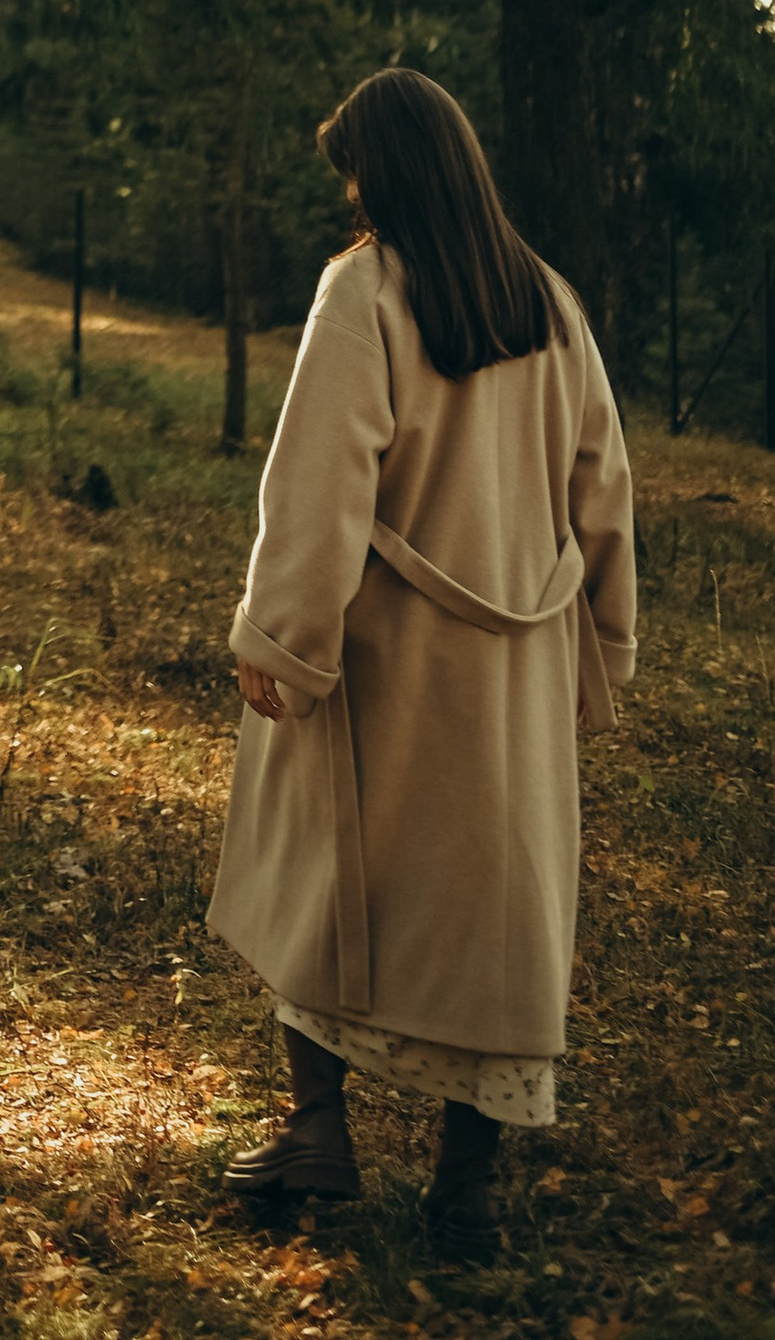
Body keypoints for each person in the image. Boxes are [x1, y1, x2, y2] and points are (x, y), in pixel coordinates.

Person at [208, 68, 636, 1261]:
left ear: (383, 170)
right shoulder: (546, 297)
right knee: (494, 910)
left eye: (352, 168)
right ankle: (463, 1187)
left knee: (318, 863)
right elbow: (602, 487)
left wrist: (284, 638)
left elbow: (318, 481)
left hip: (386, 658)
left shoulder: (366, 290)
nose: (346, 192)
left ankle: (316, 1129)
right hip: (518, 668)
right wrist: (601, 643)